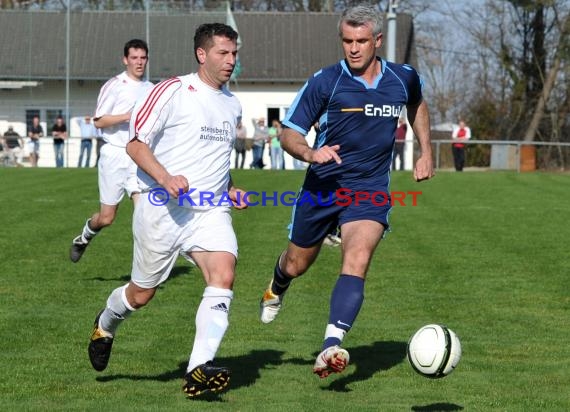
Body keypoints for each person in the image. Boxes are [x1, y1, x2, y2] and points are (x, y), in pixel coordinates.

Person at [258, 5, 434, 379]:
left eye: (361, 41)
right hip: (322, 189)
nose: (353, 48)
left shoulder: (403, 78)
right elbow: (289, 131)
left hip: (369, 189)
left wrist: (426, 151)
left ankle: (330, 346)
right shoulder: (326, 81)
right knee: (297, 263)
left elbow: (417, 104)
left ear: (378, 41)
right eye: (347, 41)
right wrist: (309, 152)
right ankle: (277, 283)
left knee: (357, 258)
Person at [87, 23, 248, 399]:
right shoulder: (173, 90)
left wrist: (232, 188)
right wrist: (164, 178)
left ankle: (198, 370)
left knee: (223, 273)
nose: (231, 61)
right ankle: (106, 322)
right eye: (223, 53)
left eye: (234, 53)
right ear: (202, 54)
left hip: (209, 211)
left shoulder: (232, 103)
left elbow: (219, 159)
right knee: (140, 295)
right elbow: (136, 146)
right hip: (162, 209)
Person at [69, 39, 153, 263]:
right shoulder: (114, 85)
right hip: (114, 155)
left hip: (139, 156)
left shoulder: (151, 89)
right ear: (125, 60)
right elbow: (98, 121)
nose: (139, 62)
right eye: (134, 58)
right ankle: (85, 235)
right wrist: (128, 115)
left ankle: (144, 269)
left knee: (144, 213)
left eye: (143, 58)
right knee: (106, 218)